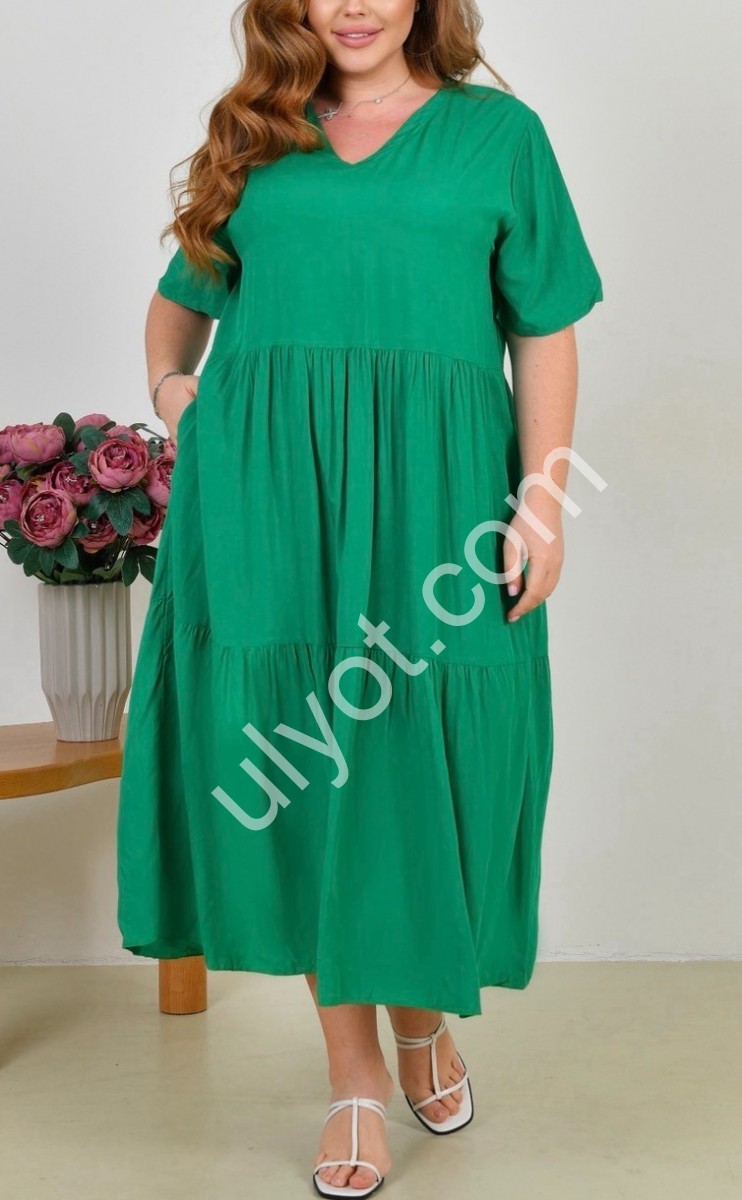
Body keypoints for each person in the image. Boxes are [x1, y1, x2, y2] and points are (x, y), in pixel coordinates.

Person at [117, 0, 603, 1193]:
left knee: (418, 766)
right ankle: (353, 1077)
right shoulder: (255, 133)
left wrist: (540, 499)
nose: (352, 5)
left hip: (438, 500)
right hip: (268, 504)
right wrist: (183, 405)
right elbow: (178, 311)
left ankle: (423, 1020)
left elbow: (544, 328)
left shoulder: (498, 137)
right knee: (300, 774)